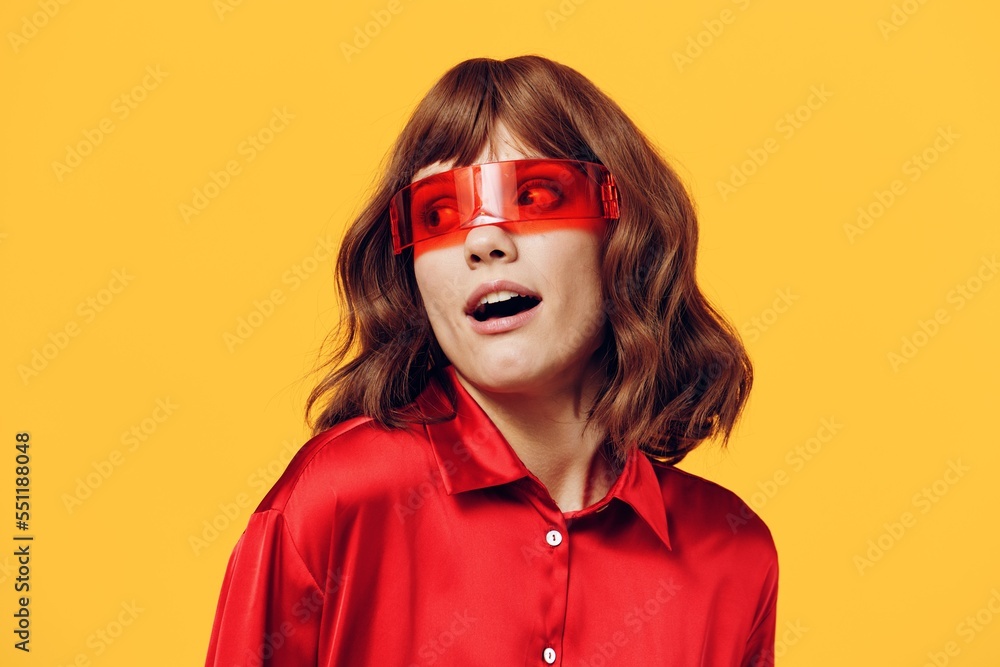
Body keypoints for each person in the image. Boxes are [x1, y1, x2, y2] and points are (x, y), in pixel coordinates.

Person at [205, 55, 778, 666]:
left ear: (623, 228)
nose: (483, 240)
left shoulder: (732, 551)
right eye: (438, 214)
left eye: (533, 196)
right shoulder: (337, 501)